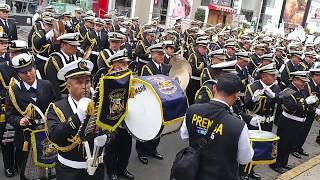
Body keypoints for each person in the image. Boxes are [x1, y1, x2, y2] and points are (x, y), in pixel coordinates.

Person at [180, 73, 254, 179]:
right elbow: (244, 159)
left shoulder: (192, 110)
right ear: (236, 95)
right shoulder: (239, 125)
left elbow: (184, 136)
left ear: (214, 88)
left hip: (194, 171)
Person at [46, 58, 105, 180]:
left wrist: (107, 136)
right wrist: (77, 117)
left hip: (96, 167)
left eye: (88, 81)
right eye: (79, 82)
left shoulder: (99, 104)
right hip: (70, 171)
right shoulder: (57, 108)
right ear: (68, 86)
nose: (85, 87)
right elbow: (54, 136)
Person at [6, 53, 57, 179]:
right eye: (24, 72)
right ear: (18, 74)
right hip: (26, 136)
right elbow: (10, 114)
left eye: (30, 70)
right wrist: (19, 120)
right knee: (27, 171)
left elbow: (56, 107)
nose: (28, 74)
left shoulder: (47, 85)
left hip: (46, 133)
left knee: (50, 168)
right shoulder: (13, 91)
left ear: (35, 68)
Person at [270, 71, 315, 174]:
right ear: (295, 80)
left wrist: (312, 108)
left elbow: (305, 105)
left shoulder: (302, 90)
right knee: (283, 144)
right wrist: (306, 102)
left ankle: (283, 163)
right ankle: (276, 164)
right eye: (302, 81)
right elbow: (290, 106)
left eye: (305, 81)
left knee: (290, 144)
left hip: (298, 122)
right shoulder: (288, 91)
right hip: (288, 121)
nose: (304, 83)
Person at [103, 49, 134, 180]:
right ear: (114, 64)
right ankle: (112, 172)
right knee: (112, 148)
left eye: (126, 63)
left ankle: (122, 169)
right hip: (112, 120)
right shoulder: (107, 79)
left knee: (126, 147)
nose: (125, 66)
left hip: (128, 119)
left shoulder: (130, 78)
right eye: (121, 63)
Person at [186, 37, 209, 105]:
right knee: (192, 100)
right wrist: (200, 70)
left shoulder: (204, 57)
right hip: (193, 83)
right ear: (199, 47)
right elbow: (190, 69)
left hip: (200, 82)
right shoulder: (194, 56)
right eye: (204, 48)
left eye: (206, 48)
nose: (205, 50)